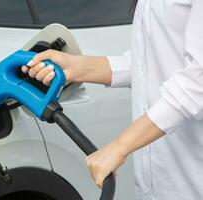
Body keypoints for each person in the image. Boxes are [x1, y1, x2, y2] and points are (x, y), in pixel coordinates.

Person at [21, 0, 203, 199]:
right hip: (164, 181)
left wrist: (119, 147)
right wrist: (77, 67)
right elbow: (152, 61)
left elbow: (197, 83)